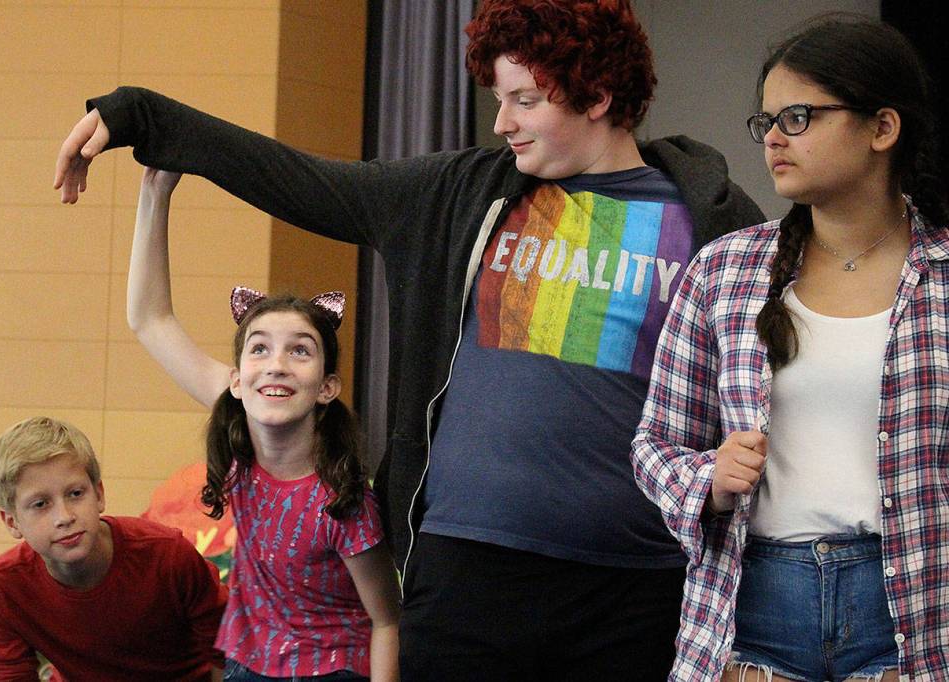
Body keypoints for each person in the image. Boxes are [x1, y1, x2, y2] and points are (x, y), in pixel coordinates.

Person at [55, 1, 763, 677]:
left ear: (598, 95)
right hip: (466, 573)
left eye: (525, 100)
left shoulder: (711, 222)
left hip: (633, 587)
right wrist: (143, 116)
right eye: (498, 97)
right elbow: (298, 180)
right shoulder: (460, 193)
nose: (503, 121)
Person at [630, 16, 949, 682]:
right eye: (767, 121)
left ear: (882, 128)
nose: (773, 138)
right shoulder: (724, 271)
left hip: (916, 615)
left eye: (799, 117)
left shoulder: (943, 274)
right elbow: (655, 444)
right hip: (752, 618)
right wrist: (708, 481)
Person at [127, 166, 401, 682]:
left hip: (333, 669)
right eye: (260, 349)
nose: (276, 364)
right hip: (248, 664)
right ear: (237, 379)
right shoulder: (238, 426)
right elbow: (150, 318)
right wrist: (154, 193)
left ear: (327, 387)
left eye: (300, 351)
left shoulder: (344, 501)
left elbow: (387, 619)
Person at [0, 416, 228, 681]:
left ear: (98, 494)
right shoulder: (4, 585)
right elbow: (9, 675)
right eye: (40, 504)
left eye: (75, 494)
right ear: (11, 521)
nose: (64, 517)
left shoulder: (168, 555)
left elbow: (229, 654)